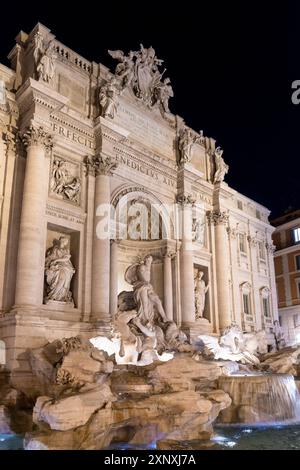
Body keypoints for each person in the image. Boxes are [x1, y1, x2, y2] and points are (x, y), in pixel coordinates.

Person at [125, 255, 167, 325]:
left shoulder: (148, 267)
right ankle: (146, 319)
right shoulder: (142, 267)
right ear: (145, 260)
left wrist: (148, 284)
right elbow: (142, 277)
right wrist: (146, 283)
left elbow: (147, 279)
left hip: (148, 286)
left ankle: (164, 317)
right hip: (141, 286)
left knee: (157, 300)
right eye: (148, 260)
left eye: (150, 260)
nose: (149, 262)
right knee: (144, 303)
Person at [45, 237, 75, 303]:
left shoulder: (66, 250)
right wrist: (50, 262)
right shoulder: (55, 249)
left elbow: (66, 259)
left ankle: (62, 295)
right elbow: (51, 257)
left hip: (66, 266)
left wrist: (56, 260)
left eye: (65, 242)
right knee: (60, 274)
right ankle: (54, 295)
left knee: (64, 276)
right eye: (63, 241)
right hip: (58, 266)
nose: (64, 243)